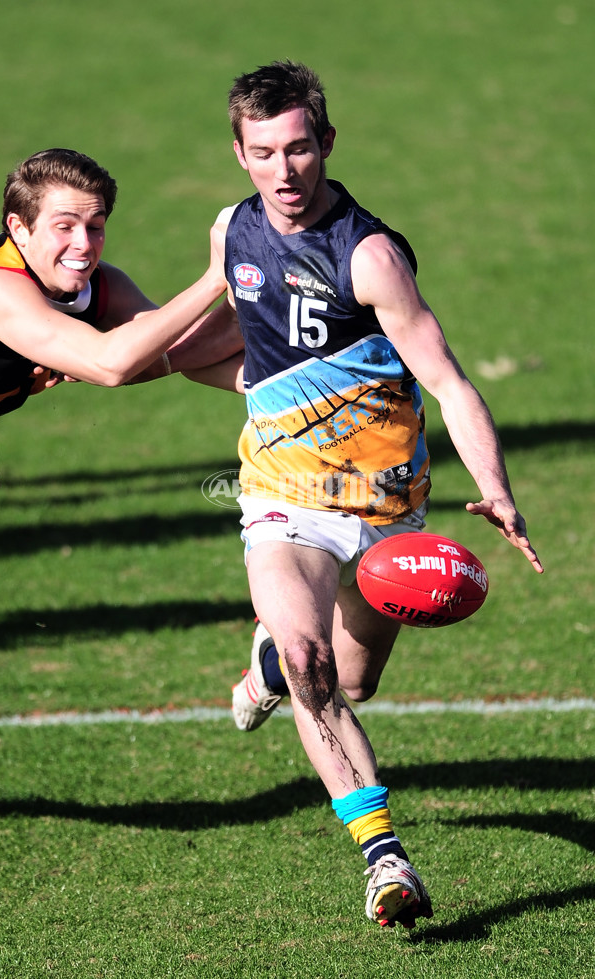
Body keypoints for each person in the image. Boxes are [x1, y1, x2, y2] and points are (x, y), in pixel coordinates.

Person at [186, 60, 544, 933]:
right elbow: (226, 341)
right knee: (315, 662)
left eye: (299, 148)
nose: (284, 171)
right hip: (283, 494)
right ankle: (384, 855)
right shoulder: (231, 230)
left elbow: (448, 382)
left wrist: (495, 489)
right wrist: (260, 387)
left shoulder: (370, 255)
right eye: (264, 151)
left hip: (386, 506)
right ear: (239, 153)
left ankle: (268, 666)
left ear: (327, 144)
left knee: (349, 677)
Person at [0, 147, 242, 485]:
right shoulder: (0, 286)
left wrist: (303, 382)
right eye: (64, 226)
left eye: (95, 226)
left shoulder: (101, 286)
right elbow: (109, 364)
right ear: (19, 228)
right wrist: (216, 279)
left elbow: (174, 346)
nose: (84, 244)